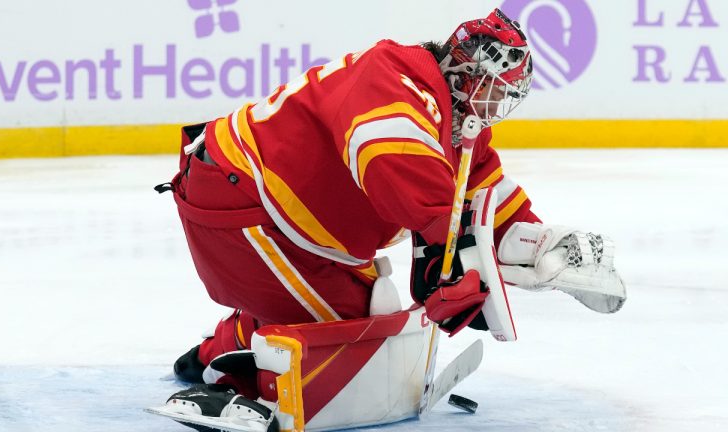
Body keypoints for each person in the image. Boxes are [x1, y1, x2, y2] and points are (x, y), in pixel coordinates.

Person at [155, 8, 626, 429]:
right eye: (495, 90)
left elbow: (485, 195)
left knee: (373, 314)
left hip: (289, 223)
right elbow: (395, 163)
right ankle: (235, 378)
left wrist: (541, 244)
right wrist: (449, 254)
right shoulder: (394, 77)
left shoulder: (455, 117)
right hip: (238, 200)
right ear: (469, 71)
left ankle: (221, 347)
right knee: (352, 346)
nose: (495, 106)